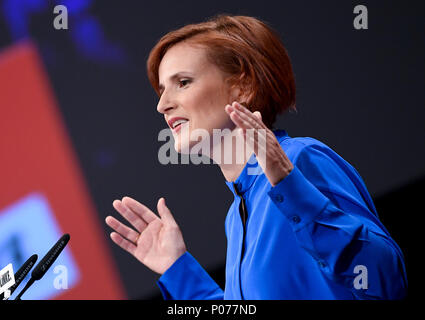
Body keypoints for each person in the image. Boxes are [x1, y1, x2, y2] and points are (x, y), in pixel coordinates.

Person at [105, 14, 407, 299]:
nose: (163, 105)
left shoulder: (300, 159)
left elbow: (386, 279)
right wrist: (177, 269)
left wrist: (292, 188)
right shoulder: (236, 216)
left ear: (243, 86)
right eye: (161, 90)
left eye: (183, 82)